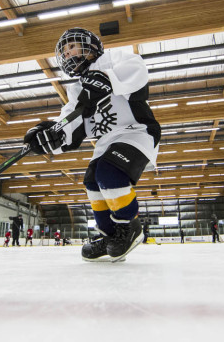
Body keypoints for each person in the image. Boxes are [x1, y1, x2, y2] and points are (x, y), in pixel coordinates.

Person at [24, 28, 160, 262]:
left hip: (136, 132)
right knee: (92, 181)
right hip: (106, 143)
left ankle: (130, 227)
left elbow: (137, 70)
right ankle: (110, 236)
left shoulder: (111, 59)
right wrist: (49, 137)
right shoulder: (76, 90)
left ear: (90, 46)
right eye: (64, 52)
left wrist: (107, 78)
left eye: (71, 47)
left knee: (108, 172)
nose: (67, 54)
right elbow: (69, 125)